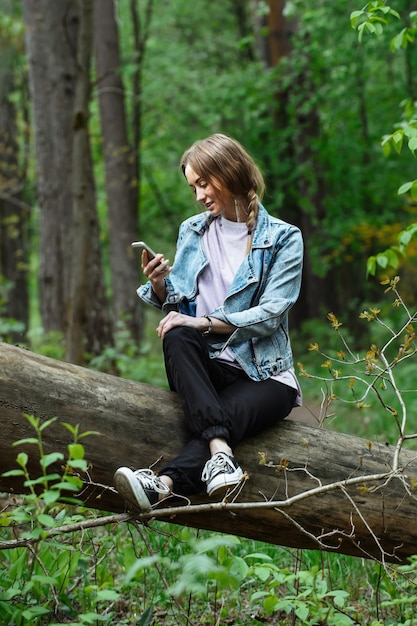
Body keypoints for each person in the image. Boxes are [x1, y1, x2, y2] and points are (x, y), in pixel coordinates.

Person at [114, 133, 303, 512]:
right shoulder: (194, 230)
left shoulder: (283, 238)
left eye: (204, 183)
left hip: (264, 376)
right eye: (193, 187)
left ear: (230, 172)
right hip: (210, 369)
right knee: (176, 331)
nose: (199, 195)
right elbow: (180, 299)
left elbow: (271, 313)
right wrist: (158, 283)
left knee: (194, 344)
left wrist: (204, 323)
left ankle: (162, 484)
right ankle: (220, 453)